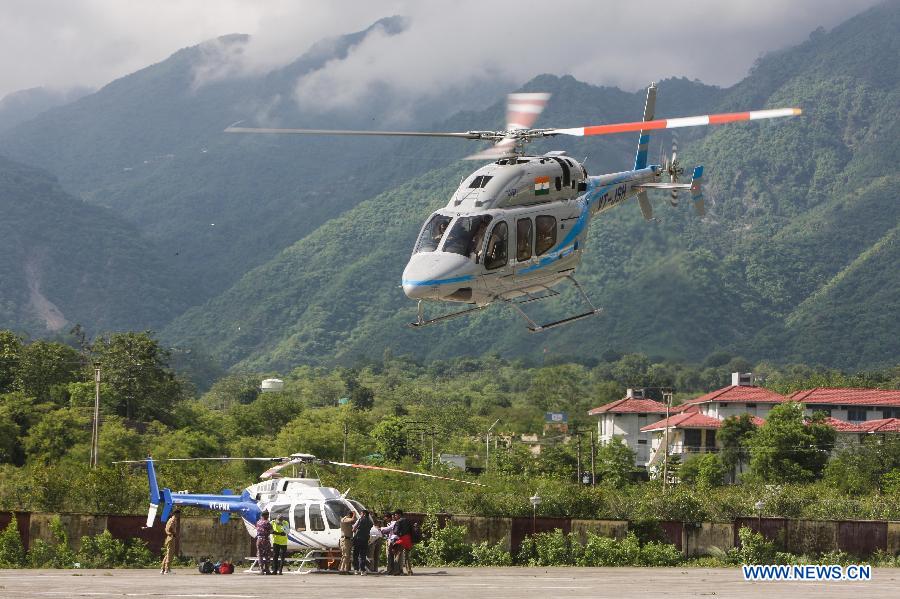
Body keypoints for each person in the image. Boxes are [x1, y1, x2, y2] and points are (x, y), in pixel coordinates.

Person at [352, 510, 374, 575]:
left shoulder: (360, 520)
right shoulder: (370, 522)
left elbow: (353, 529)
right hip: (365, 540)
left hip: (357, 539)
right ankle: (362, 570)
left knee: (355, 555)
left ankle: (356, 569)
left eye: (361, 513)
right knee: (363, 555)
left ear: (364, 514)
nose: (360, 514)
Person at [393, 510, 414, 576]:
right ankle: (409, 571)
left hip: (402, 539)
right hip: (408, 539)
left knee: (398, 554)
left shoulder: (398, 521)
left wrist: (398, 533)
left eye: (396, 515)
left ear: (399, 515)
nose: (395, 517)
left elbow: (395, 532)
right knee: (407, 556)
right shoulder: (408, 520)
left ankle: (397, 571)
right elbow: (412, 530)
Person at [160, 508, 180, 574]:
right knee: (170, 554)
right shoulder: (173, 520)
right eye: (178, 514)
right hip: (171, 537)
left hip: (169, 537)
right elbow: (169, 528)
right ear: (175, 514)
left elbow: (166, 528)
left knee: (168, 553)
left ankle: (163, 569)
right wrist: (173, 534)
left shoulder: (170, 519)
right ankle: (167, 570)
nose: (179, 515)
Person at [255, 511, 273, 575]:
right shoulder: (267, 523)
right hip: (265, 540)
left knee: (260, 555)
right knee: (267, 555)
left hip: (259, 540)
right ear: (267, 516)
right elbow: (271, 531)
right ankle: (267, 570)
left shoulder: (258, 522)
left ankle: (261, 570)